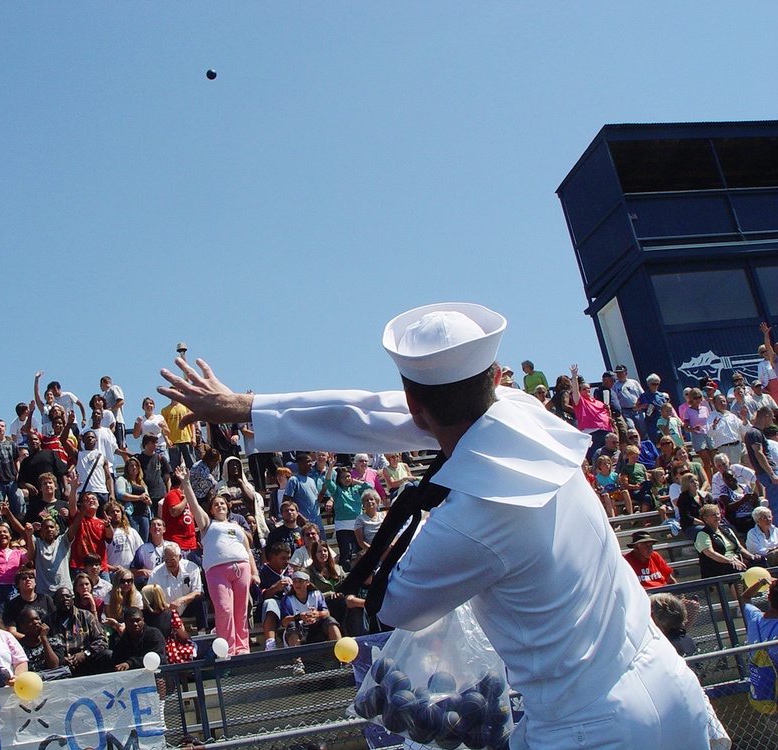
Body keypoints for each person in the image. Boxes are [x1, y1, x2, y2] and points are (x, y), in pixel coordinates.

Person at [158, 301, 715, 748]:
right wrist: (247, 408)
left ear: (414, 402)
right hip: (671, 684)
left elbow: (398, 605)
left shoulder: (468, 519)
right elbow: (370, 414)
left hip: (585, 727)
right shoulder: (525, 411)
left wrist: (240, 406)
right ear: (497, 376)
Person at [179, 464, 259, 656]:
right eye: (216, 504)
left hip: (241, 568)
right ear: (212, 510)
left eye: (223, 503)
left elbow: (248, 551)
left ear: (228, 507)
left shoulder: (237, 526)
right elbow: (194, 505)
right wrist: (186, 483)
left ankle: (242, 648)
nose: (220, 506)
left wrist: (255, 573)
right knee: (224, 609)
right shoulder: (208, 524)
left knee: (241, 610)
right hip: (217, 571)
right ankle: (227, 649)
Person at [48, 586, 115, 675]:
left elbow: (102, 640)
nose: (65, 599)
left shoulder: (86, 616)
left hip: (86, 660)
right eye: (61, 597)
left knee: (108, 655)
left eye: (68, 596)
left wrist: (85, 654)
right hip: (60, 664)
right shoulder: (48, 621)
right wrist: (61, 658)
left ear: (73, 599)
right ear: (54, 602)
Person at [149, 542, 208, 633]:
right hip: (166, 610)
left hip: (187, 606)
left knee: (200, 600)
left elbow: (198, 591)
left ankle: (202, 632)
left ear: (180, 557)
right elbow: (150, 596)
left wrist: (181, 600)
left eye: (172, 560)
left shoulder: (192, 567)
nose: (169, 564)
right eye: (166, 561)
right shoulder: (156, 573)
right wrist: (165, 606)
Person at [694, 504, 758, 579]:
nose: (717, 516)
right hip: (717, 565)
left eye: (718, 514)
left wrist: (751, 556)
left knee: (758, 562)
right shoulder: (702, 534)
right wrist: (730, 561)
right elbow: (710, 554)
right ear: (705, 518)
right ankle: (740, 590)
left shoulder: (727, 530)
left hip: (735, 559)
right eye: (713, 515)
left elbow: (739, 547)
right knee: (735, 568)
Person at [280, 571, 341, 647]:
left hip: (317, 629)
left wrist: (317, 614)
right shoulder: (288, 599)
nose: (297, 584)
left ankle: (339, 650)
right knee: (292, 625)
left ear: (307, 582)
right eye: (295, 581)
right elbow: (284, 622)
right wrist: (299, 617)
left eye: (300, 581)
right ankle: (296, 657)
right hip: (300, 630)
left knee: (330, 621)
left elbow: (327, 613)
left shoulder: (316, 594)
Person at [745, 406, 778, 505]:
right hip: (767, 472)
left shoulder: (757, 432)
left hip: (766, 471)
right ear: (766, 417)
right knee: (775, 503)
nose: (772, 421)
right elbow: (758, 453)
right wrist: (772, 474)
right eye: (771, 418)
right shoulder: (754, 433)